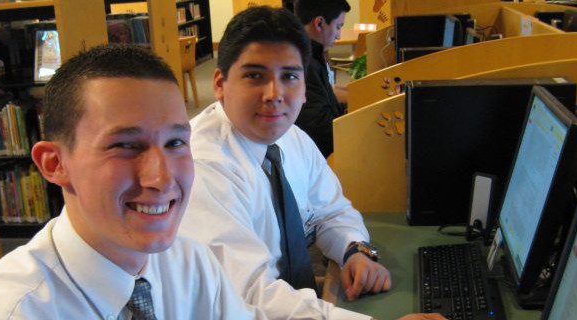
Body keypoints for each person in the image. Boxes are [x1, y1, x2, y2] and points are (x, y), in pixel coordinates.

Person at [0, 44, 262, 320]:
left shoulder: (193, 266)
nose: (162, 178)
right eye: (125, 146)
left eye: (175, 143)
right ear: (54, 164)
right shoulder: (7, 312)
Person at [179, 6, 444, 320]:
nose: (274, 94)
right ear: (220, 84)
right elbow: (247, 296)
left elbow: (330, 209)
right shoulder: (201, 167)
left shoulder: (289, 136)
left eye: (289, 76)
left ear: (305, 87)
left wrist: (354, 252)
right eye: (254, 75)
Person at [294, 0, 351, 158]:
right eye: (338, 26)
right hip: (318, 156)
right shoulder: (305, 62)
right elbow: (319, 129)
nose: (339, 35)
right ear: (319, 23)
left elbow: (327, 103)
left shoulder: (313, 55)